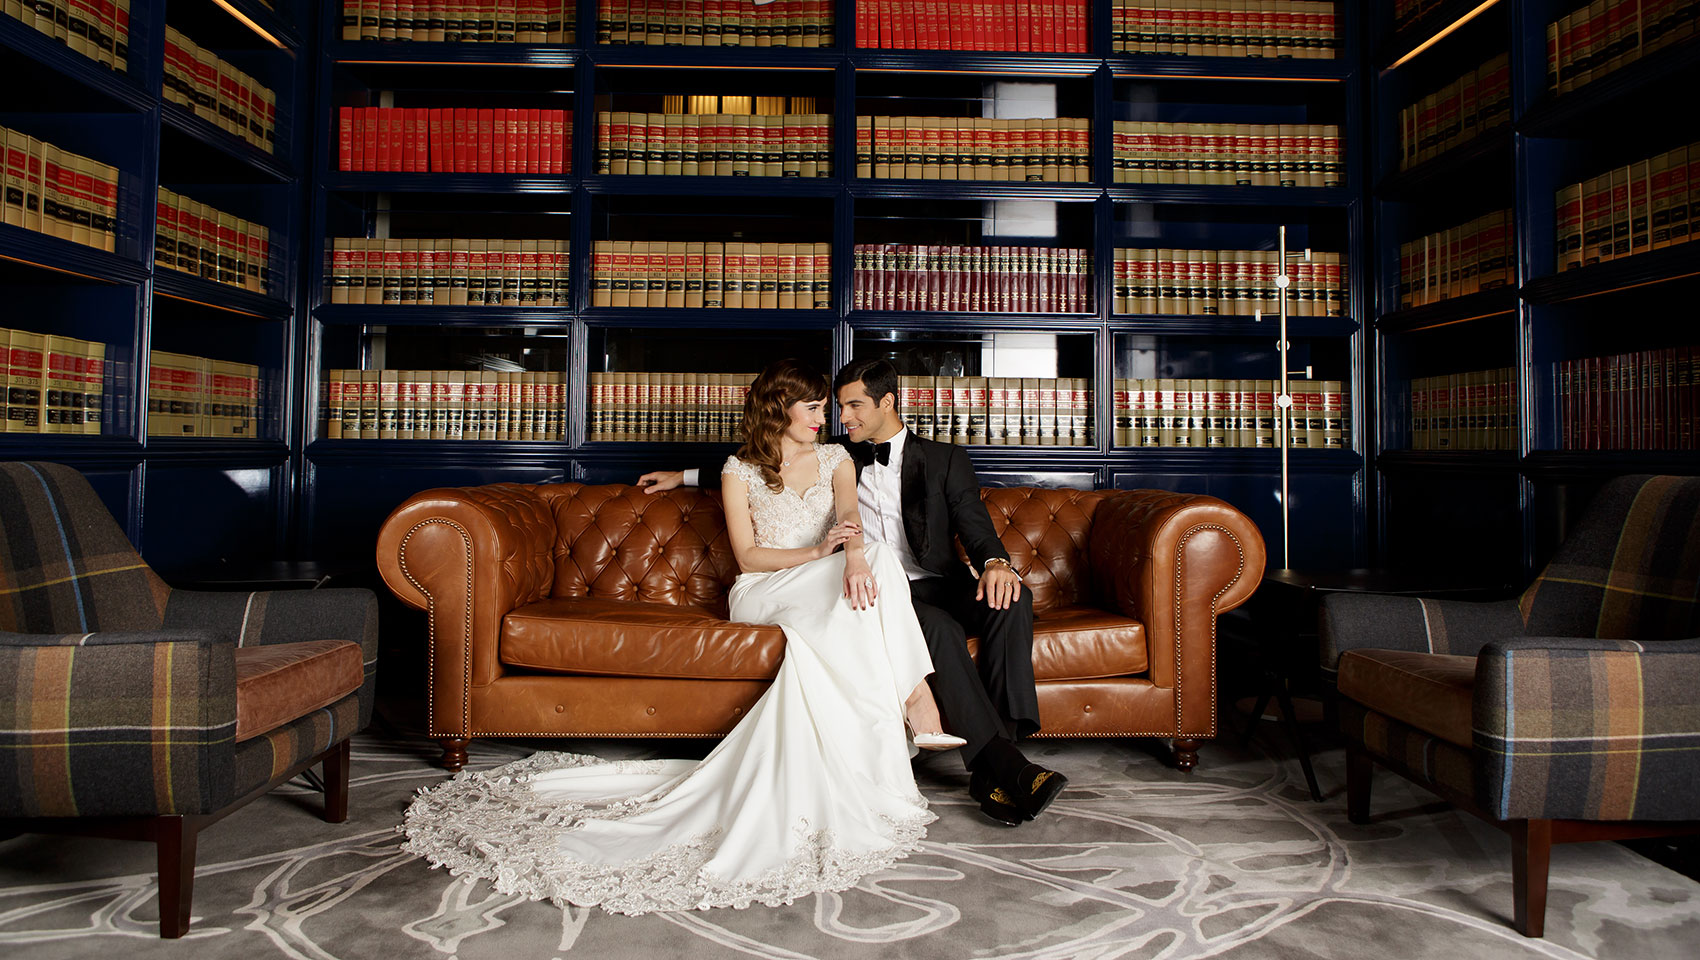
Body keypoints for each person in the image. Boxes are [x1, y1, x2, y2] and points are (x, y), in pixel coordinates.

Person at [401, 359, 965, 915]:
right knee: (850, 592)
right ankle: (913, 695)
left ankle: (910, 698)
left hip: (823, 577)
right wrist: (822, 554)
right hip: (764, 588)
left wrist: (854, 558)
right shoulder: (738, 470)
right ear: (780, 408)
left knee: (875, 571)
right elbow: (749, 556)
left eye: (829, 406)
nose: (829, 417)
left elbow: (851, 519)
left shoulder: (838, 459)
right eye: (815, 406)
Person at [639, 357, 1067, 827]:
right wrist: (683, 475)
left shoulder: (939, 459)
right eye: (833, 408)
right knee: (938, 629)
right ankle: (993, 759)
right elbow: (758, 458)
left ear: (887, 402)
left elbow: (973, 521)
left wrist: (996, 563)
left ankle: (1001, 748)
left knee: (1014, 598)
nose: (840, 418)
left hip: (932, 580)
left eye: (851, 406)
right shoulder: (838, 450)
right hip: (875, 586)